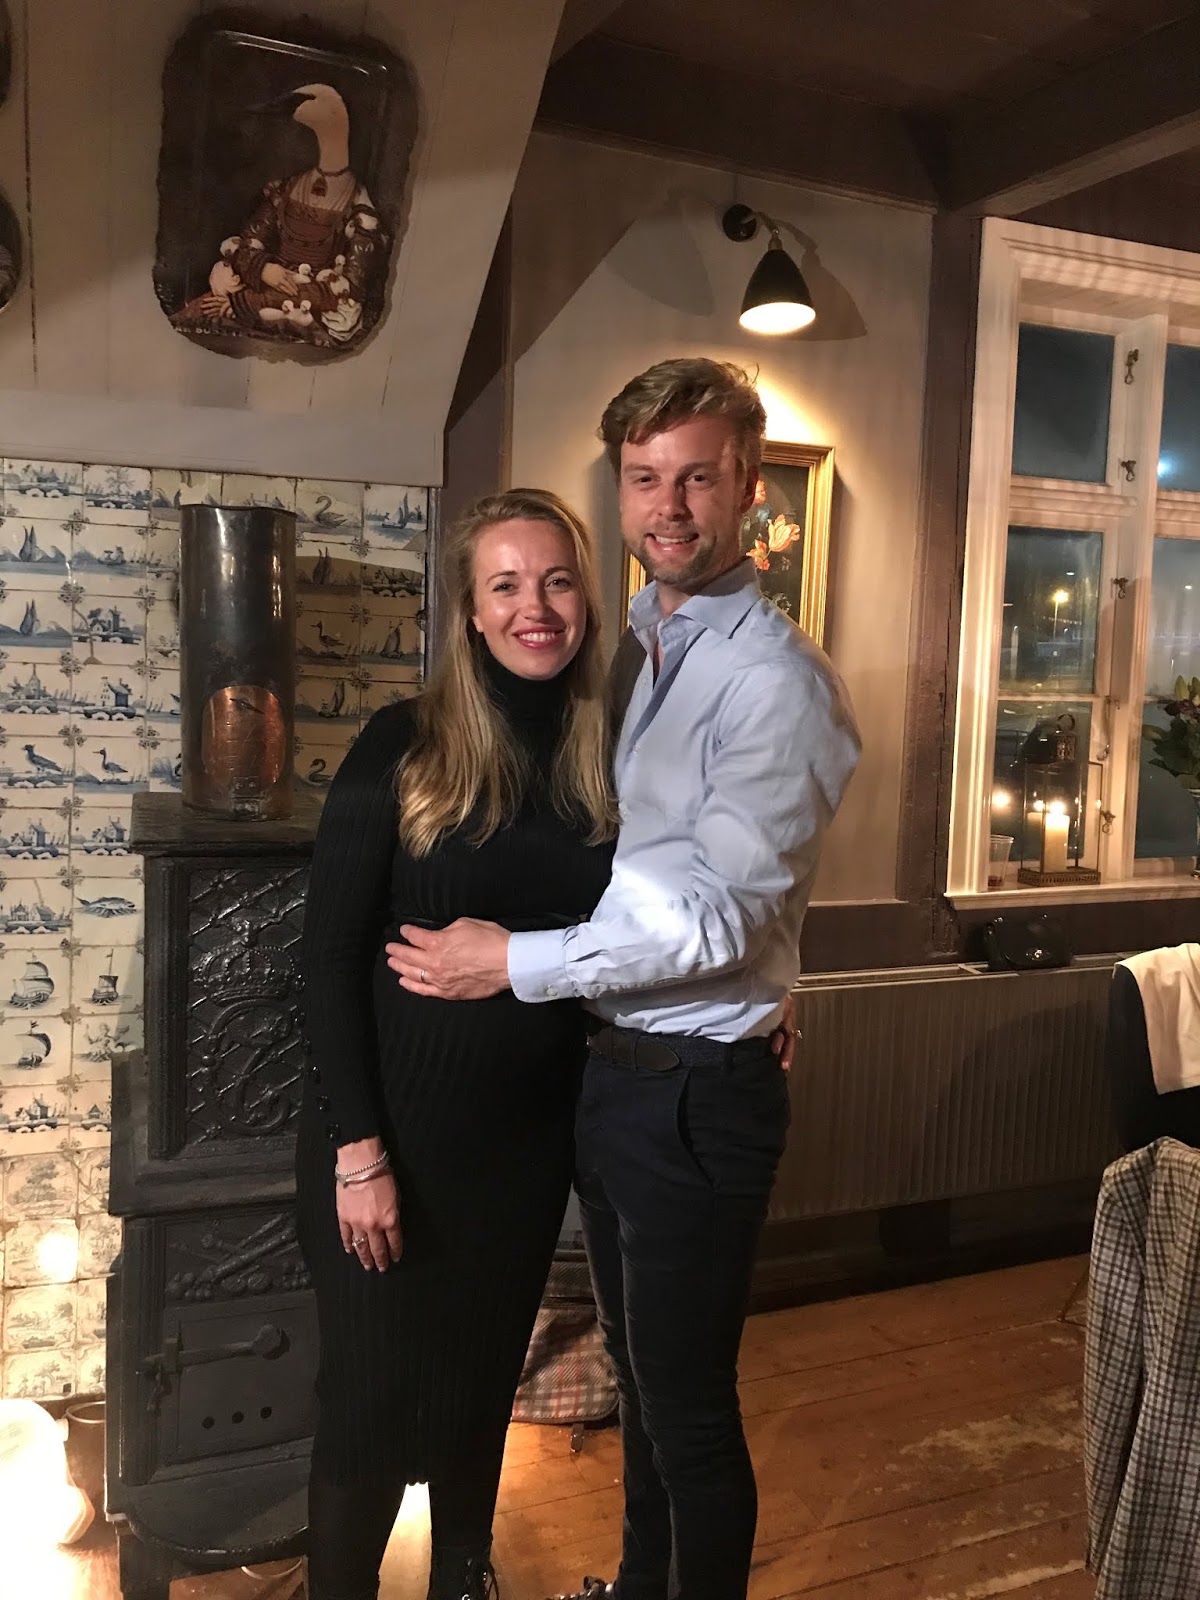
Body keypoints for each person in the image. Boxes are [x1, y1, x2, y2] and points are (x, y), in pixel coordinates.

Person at [386, 358, 862, 1600]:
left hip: (694, 1090)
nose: (668, 505)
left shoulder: (774, 681)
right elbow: (673, 874)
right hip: (622, 1072)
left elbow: (719, 912)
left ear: (749, 485)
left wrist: (510, 961)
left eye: (697, 477)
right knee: (644, 1390)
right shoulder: (640, 645)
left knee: (687, 1407)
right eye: (644, 478)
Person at [297, 489, 617, 1600]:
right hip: (391, 1149)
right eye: (507, 585)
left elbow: (649, 932)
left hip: (520, 1155)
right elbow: (326, 962)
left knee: (479, 1397)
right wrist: (360, 1155)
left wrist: (767, 990)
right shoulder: (403, 745)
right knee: (368, 1416)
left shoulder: (602, 760)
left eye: (558, 581)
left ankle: (462, 1582)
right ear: (471, 612)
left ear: (586, 599)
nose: (538, 607)